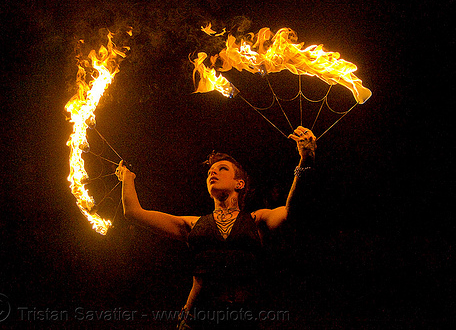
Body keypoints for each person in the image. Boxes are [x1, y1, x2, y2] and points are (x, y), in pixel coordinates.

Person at [116, 126, 316, 329]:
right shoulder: (192, 224)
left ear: (239, 183)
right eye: (211, 172)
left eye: (222, 169)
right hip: (196, 322)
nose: (213, 173)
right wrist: (128, 178)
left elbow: (292, 212)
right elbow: (134, 213)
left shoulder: (257, 219)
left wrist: (305, 161)